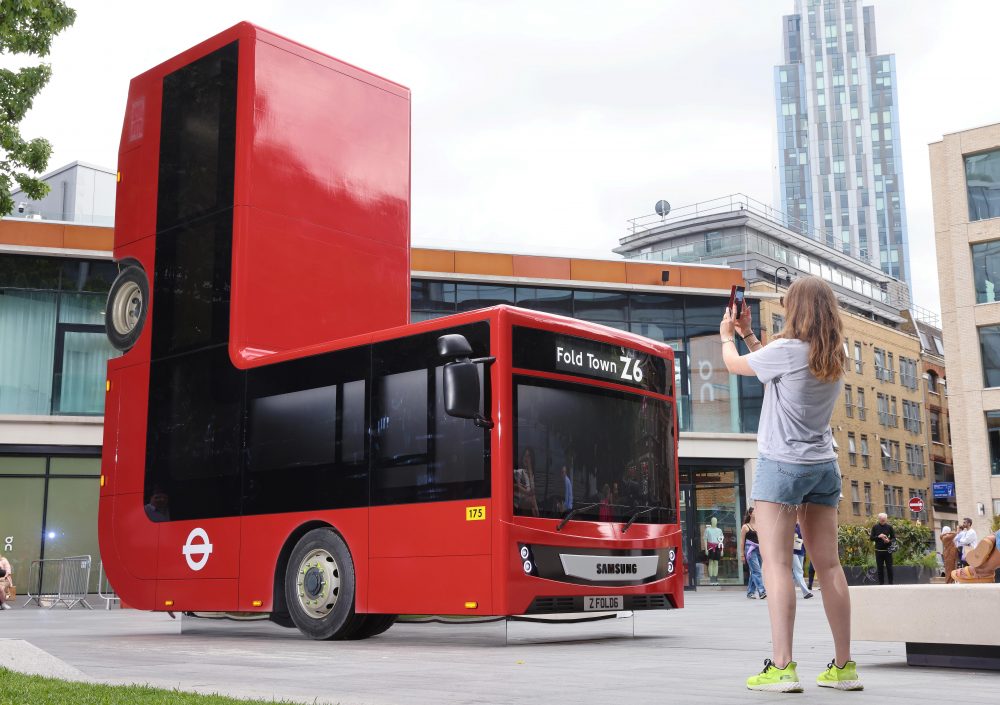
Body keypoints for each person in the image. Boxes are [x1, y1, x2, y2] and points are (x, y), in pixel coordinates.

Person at [722, 276, 861, 692]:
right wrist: (749, 333)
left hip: (782, 466)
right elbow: (773, 370)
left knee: (778, 563)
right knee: (830, 564)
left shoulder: (787, 351)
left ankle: (782, 667)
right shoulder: (836, 354)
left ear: (796, 310)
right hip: (823, 467)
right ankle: (844, 667)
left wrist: (728, 336)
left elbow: (737, 367)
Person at [740, 507, 766, 599]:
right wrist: (742, 554)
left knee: (754, 572)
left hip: (759, 549)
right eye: (755, 512)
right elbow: (742, 541)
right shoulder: (745, 527)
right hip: (750, 550)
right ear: (750, 514)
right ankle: (762, 591)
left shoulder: (760, 525)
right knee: (757, 571)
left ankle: (750, 592)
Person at [870, 513, 895, 585]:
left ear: (886, 519)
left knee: (889, 568)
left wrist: (889, 541)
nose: (883, 522)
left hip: (888, 551)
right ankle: (881, 584)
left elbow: (894, 538)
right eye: (882, 520)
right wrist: (879, 536)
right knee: (880, 568)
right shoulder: (875, 527)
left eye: (884, 520)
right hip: (878, 551)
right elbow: (871, 538)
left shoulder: (889, 527)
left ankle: (891, 584)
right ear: (879, 519)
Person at [514, 447, 539, 517]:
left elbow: (533, 492)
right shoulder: (518, 472)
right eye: (525, 456)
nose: (526, 459)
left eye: (529, 457)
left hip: (527, 510)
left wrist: (530, 470)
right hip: (517, 508)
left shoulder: (530, 474)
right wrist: (526, 491)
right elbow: (513, 486)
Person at [791, 523, 814, 598]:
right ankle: (806, 592)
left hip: (801, 550)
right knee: (799, 571)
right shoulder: (789, 525)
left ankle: (788, 591)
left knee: (795, 574)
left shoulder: (800, 526)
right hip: (792, 551)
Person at [704, 517, 725, 586]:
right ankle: (711, 579)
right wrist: (706, 549)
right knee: (711, 562)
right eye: (713, 521)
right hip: (710, 547)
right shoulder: (707, 529)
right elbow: (705, 539)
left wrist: (721, 550)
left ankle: (715, 578)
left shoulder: (719, 530)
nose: (714, 522)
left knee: (716, 562)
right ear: (711, 521)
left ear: (717, 522)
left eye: (715, 521)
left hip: (717, 547)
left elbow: (721, 540)